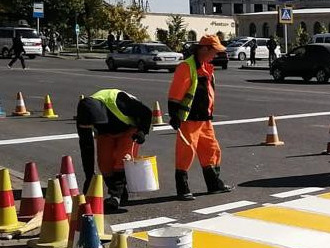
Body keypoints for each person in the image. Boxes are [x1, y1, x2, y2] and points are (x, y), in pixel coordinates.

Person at [168, 35, 234, 201]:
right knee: (186, 153)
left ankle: (214, 184)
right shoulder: (186, 67)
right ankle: (182, 189)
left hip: (205, 119)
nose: (216, 55)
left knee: (211, 150)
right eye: (214, 51)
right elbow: (175, 94)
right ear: (204, 49)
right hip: (189, 119)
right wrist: (174, 115)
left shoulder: (205, 66)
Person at [76, 90, 153, 211]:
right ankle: (119, 192)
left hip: (129, 130)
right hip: (106, 133)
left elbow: (147, 112)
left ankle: (115, 196)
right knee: (104, 163)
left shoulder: (121, 102)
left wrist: (142, 131)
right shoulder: (84, 114)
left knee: (122, 161)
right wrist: (89, 177)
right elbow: (86, 147)